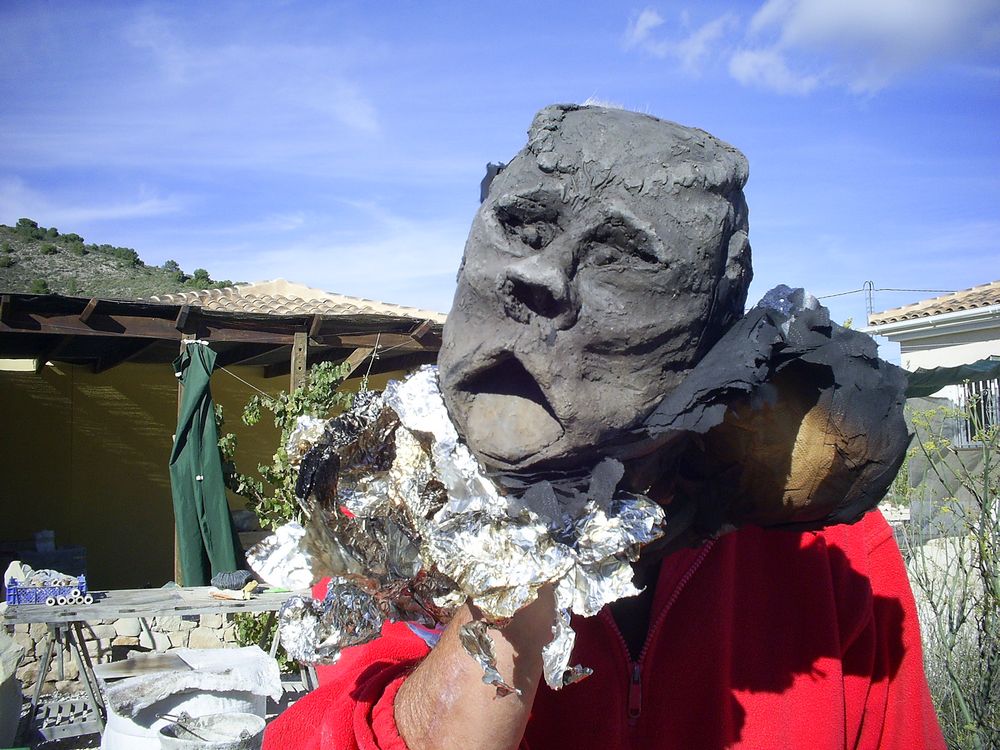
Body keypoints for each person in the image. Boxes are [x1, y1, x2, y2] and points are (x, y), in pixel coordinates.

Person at [262, 106, 944, 749]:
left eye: (621, 256)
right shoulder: (377, 519)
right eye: (522, 228)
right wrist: (516, 562)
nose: (538, 274)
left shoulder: (834, 561)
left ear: (711, 328)